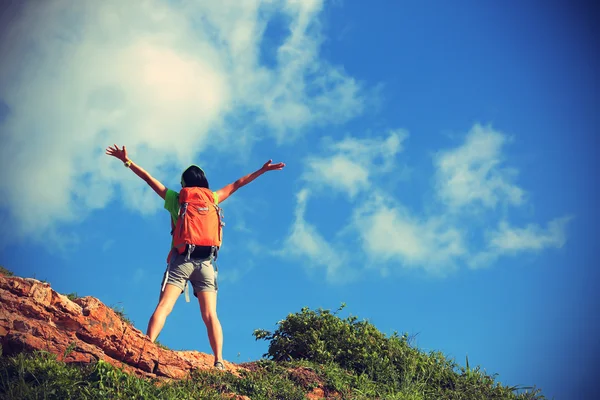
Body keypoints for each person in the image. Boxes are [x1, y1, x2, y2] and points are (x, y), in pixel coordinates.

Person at [105, 144, 285, 370]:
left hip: (182, 259)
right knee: (211, 315)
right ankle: (219, 361)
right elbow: (238, 183)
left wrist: (127, 161)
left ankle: (147, 346)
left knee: (164, 306)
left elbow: (149, 180)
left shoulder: (177, 198)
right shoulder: (214, 198)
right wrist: (262, 170)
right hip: (207, 263)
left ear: (184, 183)